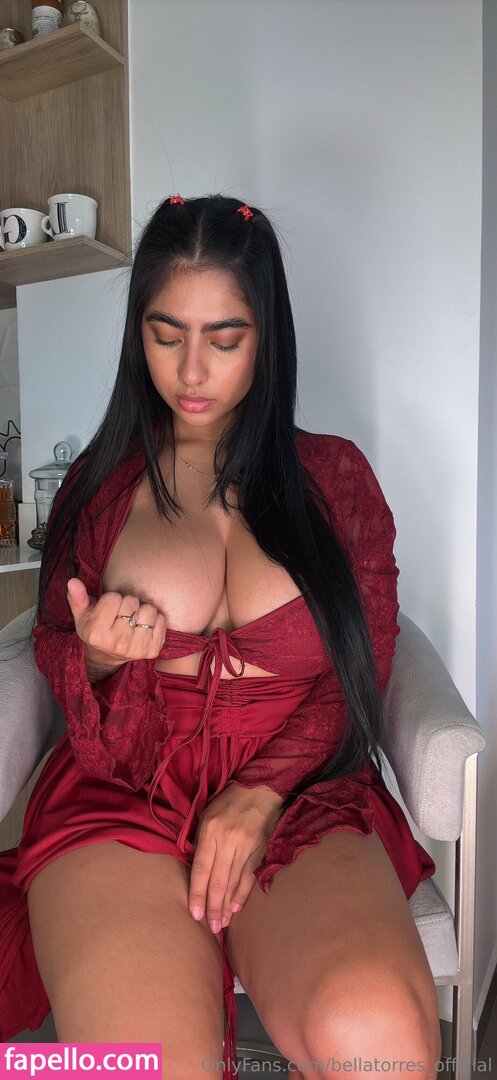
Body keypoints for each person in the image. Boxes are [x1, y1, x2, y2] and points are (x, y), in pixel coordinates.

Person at [0, 194, 442, 1079]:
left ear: (266, 337)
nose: (191, 370)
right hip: (121, 795)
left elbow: (359, 669)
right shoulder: (98, 482)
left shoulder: (335, 479)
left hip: (301, 792)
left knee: (380, 1041)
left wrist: (260, 793)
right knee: (144, 1066)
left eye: (224, 338)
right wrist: (96, 658)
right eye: (165, 335)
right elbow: (56, 653)